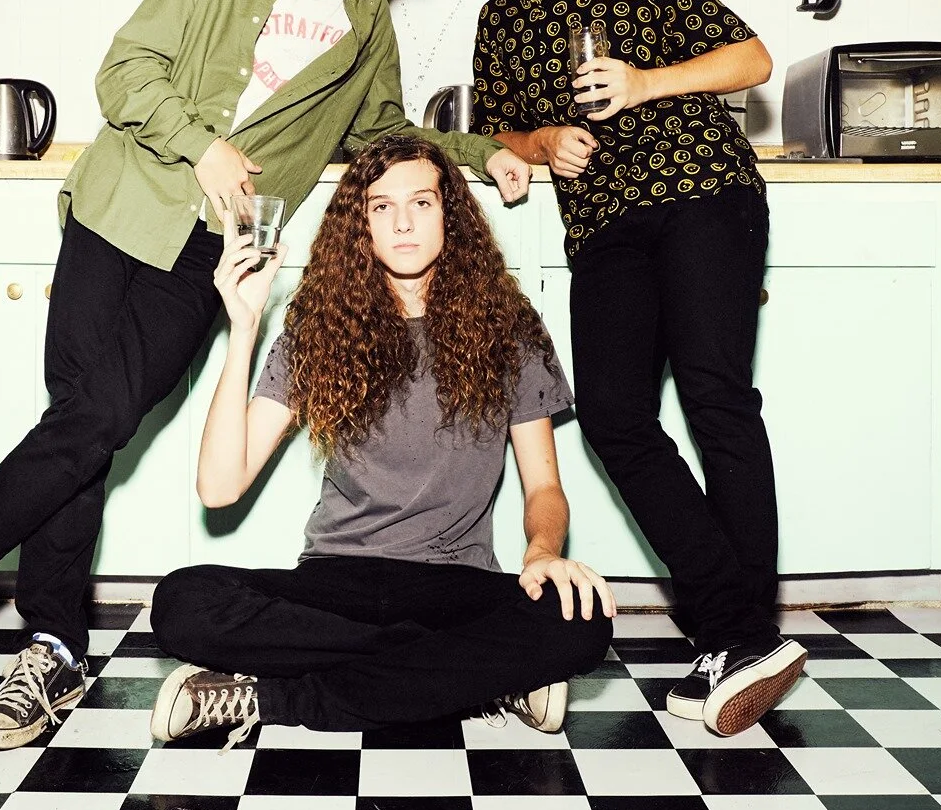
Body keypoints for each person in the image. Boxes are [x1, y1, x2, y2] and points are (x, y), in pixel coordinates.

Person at [0, 0, 533, 751]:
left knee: (94, 423)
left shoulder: (369, 24)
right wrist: (202, 143)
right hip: (119, 210)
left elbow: (383, 129)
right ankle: (51, 644)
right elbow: (125, 73)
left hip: (212, 249)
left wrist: (483, 153)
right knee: (84, 422)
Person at [462, 0, 806, 738]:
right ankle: (742, 633)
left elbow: (753, 60)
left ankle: (738, 635)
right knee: (614, 417)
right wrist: (543, 144)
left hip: (701, 193)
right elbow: (506, 131)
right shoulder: (498, 22)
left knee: (715, 397)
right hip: (604, 224)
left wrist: (645, 80)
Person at [146, 135, 614, 746]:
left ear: (451, 213)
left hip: (457, 581)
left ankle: (275, 697)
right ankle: (472, 673)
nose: (402, 224)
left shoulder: (510, 325)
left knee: (583, 620)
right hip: (337, 581)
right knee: (182, 600)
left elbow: (545, 486)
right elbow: (218, 486)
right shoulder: (320, 326)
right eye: (381, 207)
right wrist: (244, 327)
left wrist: (542, 554)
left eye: (421, 203)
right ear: (359, 225)